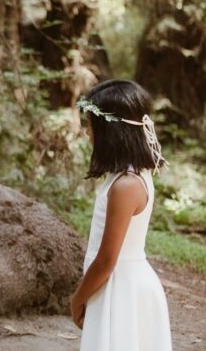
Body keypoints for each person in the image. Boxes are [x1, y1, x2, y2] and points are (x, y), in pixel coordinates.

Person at [70, 79, 172, 351]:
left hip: (122, 290)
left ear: (110, 132)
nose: (87, 133)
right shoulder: (126, 176)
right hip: (116, 286)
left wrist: (77, 298)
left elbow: (106, 259)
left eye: (91, 126)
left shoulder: (126, 185)